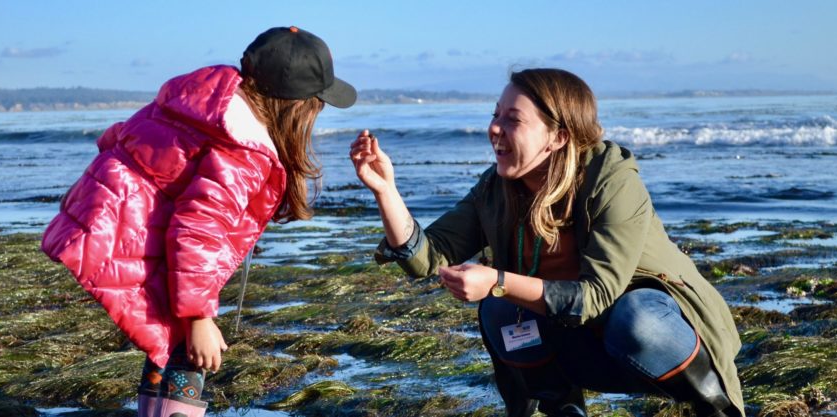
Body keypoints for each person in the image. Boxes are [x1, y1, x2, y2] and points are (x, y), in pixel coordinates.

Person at [350, 68, 744, 417]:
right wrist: (386, 191)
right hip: (579, 347)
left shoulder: (612, 180)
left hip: (658, 344)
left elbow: (594, 297)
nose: (494, 128)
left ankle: (713, 406)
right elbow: (425, 258)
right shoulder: (496, 188)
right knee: (501, 312)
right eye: (495, 115)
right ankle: (562, 406)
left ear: (558, 136)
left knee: (635, 318)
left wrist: (498, 280)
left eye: (513, 119)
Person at [41, 26, 355, 417]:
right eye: (316, 103)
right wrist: (200, 318)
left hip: (109, 224)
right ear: (294, 104)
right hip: (130, 241)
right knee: (192, 351)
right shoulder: (244, 149)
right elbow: (197, 231)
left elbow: (119, 140)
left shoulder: (200, 105)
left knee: (166, 339)